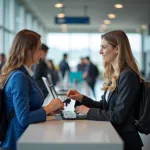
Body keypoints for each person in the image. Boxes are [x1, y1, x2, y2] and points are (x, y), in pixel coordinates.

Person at [67, 30, 143, 150]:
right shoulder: (115, 74)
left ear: (117, 49)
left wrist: (87, 111)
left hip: (125, 142)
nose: (100, 52)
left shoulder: (127, 76)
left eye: (104, 47)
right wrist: (82, 98)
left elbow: (118, 116)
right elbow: (104, 106)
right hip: (113, 136)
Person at [0, 29, 64, 150]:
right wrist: (48, 107)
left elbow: (28, 108)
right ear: (29, 51)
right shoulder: (19, 77)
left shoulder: (26, 74)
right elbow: (24, 118)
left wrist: (48, 111)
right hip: (17, 141)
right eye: (39, 48)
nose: (41, 53)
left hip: (26, 137)